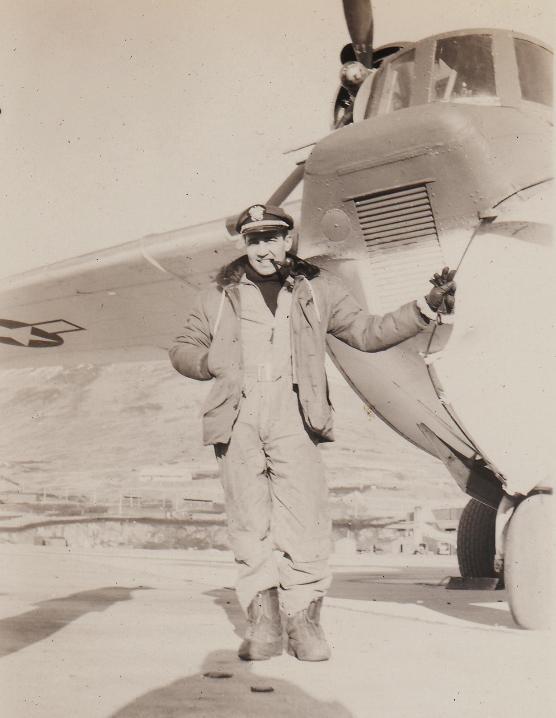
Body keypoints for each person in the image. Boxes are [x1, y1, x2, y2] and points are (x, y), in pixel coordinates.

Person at [169, 204, 455, 662]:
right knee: (248, 522)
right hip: (237, 418)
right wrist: (206, 364)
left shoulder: (318, 290)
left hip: (295, 415)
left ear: (288, 241)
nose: (262, 249)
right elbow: (184, 347)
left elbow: (367, 331)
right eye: (253, 240)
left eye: (271, 238)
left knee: (305, 521)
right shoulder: (218, 297)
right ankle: (264, 623)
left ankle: (303, 623)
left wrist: (425, 308)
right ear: (244, 244)